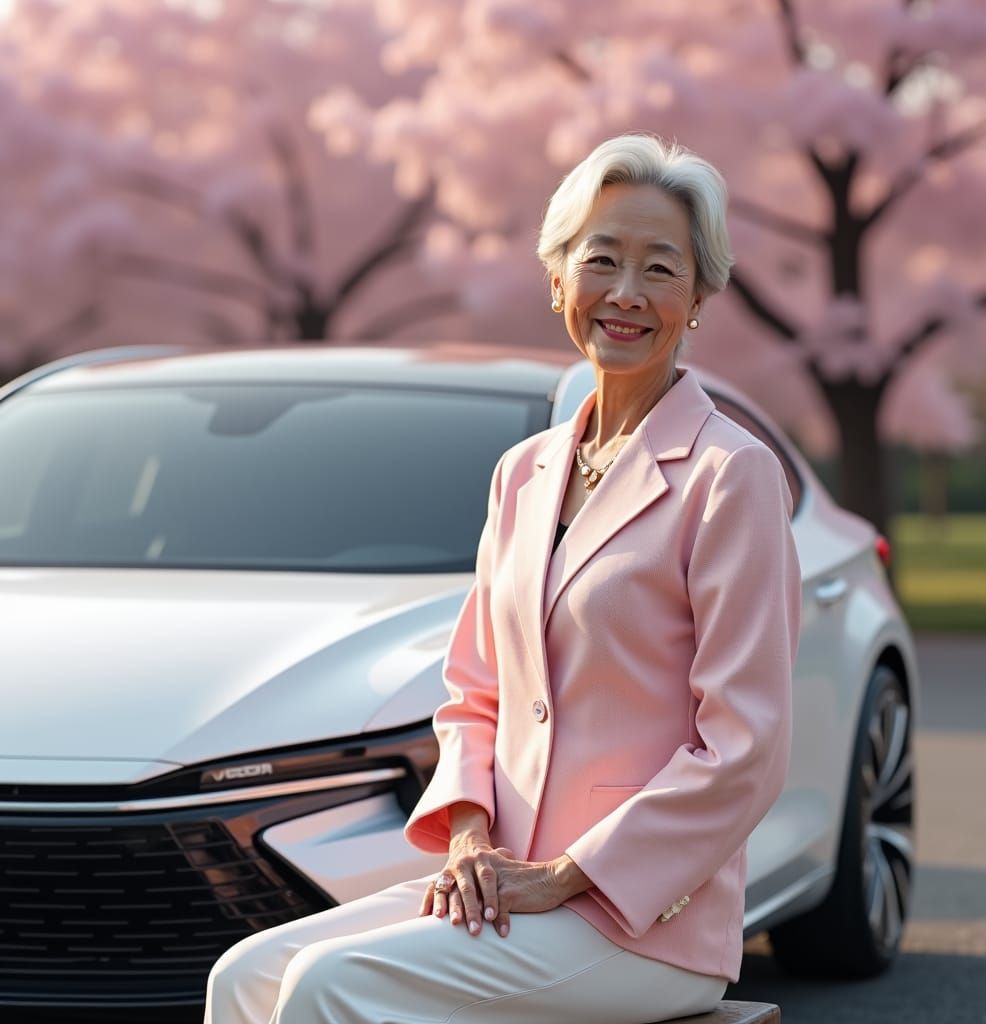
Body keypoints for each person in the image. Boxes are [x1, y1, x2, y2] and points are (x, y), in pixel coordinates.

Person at [204, 132, 802, 1024]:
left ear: (700, 296)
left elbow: (744, 747)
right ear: (559, 278)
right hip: (499, 883)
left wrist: (568, 875)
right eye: (602, 260)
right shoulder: (523, 471)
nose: (627, 294)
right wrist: (473, 838)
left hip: (637, 918)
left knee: (333, 986)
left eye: (661, 268)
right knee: (243, 976)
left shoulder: (731, 475)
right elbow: (473, 695)